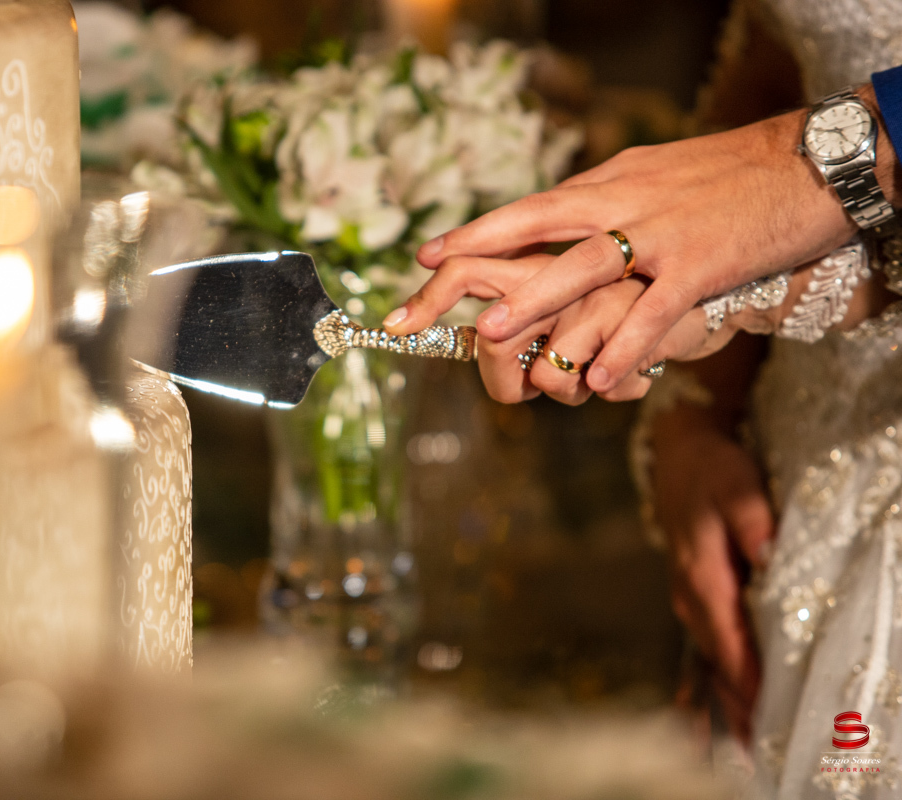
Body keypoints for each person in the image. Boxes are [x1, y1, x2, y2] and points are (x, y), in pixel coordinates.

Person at [385, 2, 902, 797]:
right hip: (789, 486)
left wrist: (805, 165)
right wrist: (695, 408)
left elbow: (791, 186)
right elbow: (791, 32)